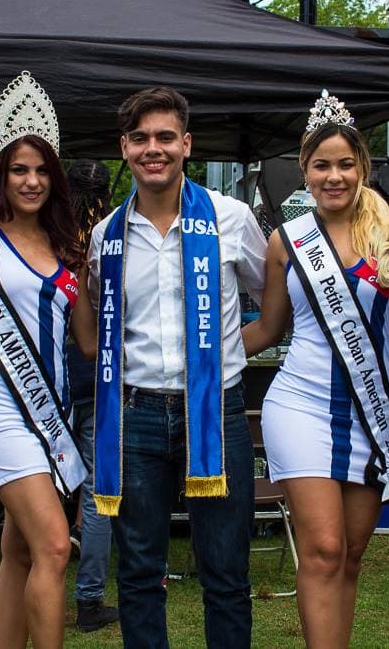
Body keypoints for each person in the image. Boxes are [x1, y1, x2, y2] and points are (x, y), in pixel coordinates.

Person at [242, 90, 389, 647]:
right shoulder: (285, 241)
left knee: (349, 555)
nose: (334, 176)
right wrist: (200, 356)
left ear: (362, 168)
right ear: (304, 170)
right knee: (323, 548)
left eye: (345, 164)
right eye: (321, 165)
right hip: (299, 405)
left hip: (370, 412)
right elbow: (268, 329)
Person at [84, 86, 266, 648]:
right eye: (140, 138)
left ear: (187, 144)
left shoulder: (231, 219)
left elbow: (271, 305)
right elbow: (99, 322)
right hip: (135, 416)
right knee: (139, 574)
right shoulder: (104, 237)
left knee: (226, 574)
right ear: (124, 148)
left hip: (217, 411)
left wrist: (226, 357)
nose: (152, 149)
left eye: (165, 137)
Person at [0, 71, 89, 649]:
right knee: (55, 545)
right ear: (0, 174)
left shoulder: (68, 247)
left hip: (55, 416)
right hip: (0, 414)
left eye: (41, 171)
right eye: (19, 169)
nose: (31, 182)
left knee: (21, 548)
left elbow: (85, 344)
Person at [66, 158, 119, 632]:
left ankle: (19, 588)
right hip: (97, 375)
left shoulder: (49, 234)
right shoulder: (114, 234)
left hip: (45, 378)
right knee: (97, 493)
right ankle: (88, 600)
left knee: (33, 486)